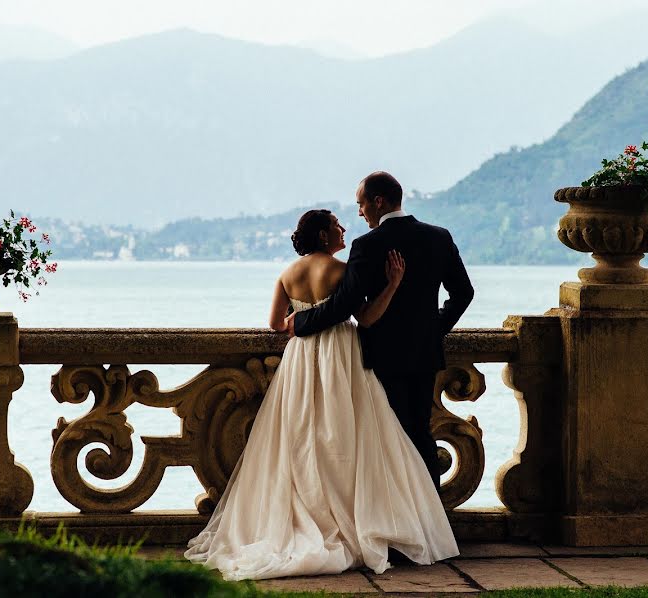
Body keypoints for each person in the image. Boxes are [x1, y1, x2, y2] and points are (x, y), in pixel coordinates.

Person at [185, 209, 459, 580]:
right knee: (345, 433)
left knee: (300, 436)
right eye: (336, 226)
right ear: (323, 236)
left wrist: (299, 321)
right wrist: (392, 285)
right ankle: (352, 514)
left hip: (300, 356)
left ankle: (307, 515)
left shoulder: (287, 274)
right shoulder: (344, 270)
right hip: (340, 355)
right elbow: (366, 318)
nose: (343, 228)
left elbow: (275, 323)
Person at [288, 172, 474, 488]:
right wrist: (432, 330)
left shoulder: (368, 245)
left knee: (387, 439)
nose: (359, 212)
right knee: (420, 433)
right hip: (423, 354)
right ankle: (430, 519)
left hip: (381, 357)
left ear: (378, 201)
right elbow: (463, 293)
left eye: (361, 204)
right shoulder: (438, 237)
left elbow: (344, 304)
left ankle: (396, 519)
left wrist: (300, 322)